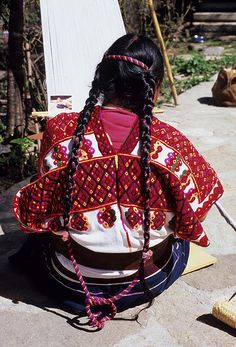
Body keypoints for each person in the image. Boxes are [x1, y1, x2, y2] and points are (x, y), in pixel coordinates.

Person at [12, 33, 223, 329]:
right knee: (179, 240)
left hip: (71, 282)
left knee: (37, 240)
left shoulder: (60, 131)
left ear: (102, 79)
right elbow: (196, 211)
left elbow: (36, 211)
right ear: (155, 86)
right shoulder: (171, 143)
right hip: (144, 282)